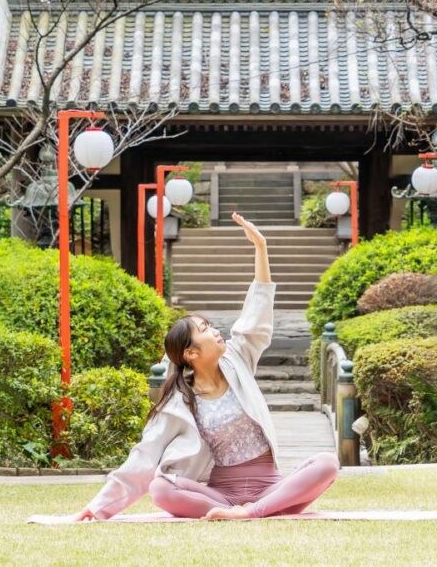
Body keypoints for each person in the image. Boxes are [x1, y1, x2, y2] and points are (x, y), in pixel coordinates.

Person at [71, 212, 339, 521]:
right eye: (205, 329)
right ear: (191, 354)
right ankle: (247, 512)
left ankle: (252, 512)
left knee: (327, 463)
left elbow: (257, 313)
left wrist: (261, 249)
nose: (215, 331)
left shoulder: (238, 359)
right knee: (161, 487)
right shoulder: (180, 401)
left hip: (270, 486)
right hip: (219, 494)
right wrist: (97, 507)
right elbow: (144, 456)